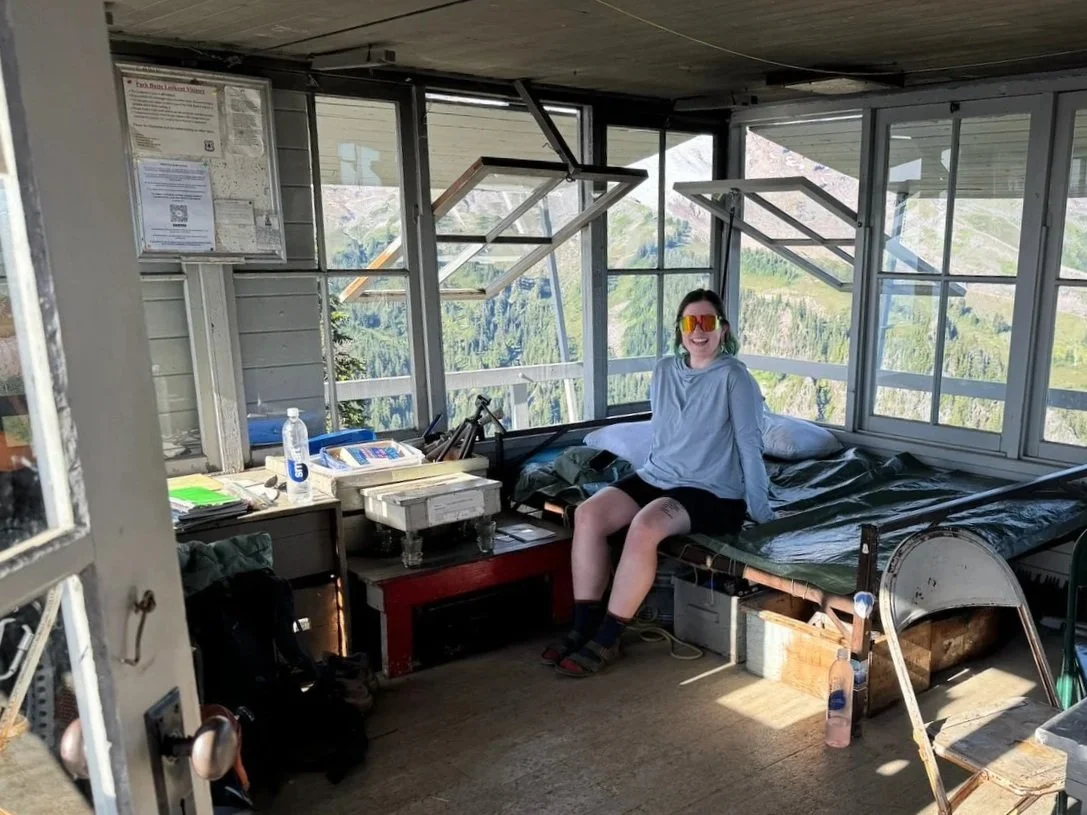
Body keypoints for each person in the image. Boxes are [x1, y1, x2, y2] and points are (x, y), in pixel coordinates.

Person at [542, 288, 774, 677]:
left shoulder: (735, 376)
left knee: (646, 526)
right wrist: (643, 474)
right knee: (588, 514)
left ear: (723, 330)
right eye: (690, 322)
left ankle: (609, 635)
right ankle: (583, 626)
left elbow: (750, 444)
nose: (698, 332)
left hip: (712, 490)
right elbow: (664, 432)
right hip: (660, 474)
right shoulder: (665, 369)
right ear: (679, 329)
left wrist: (761, 510)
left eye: (707, 322)